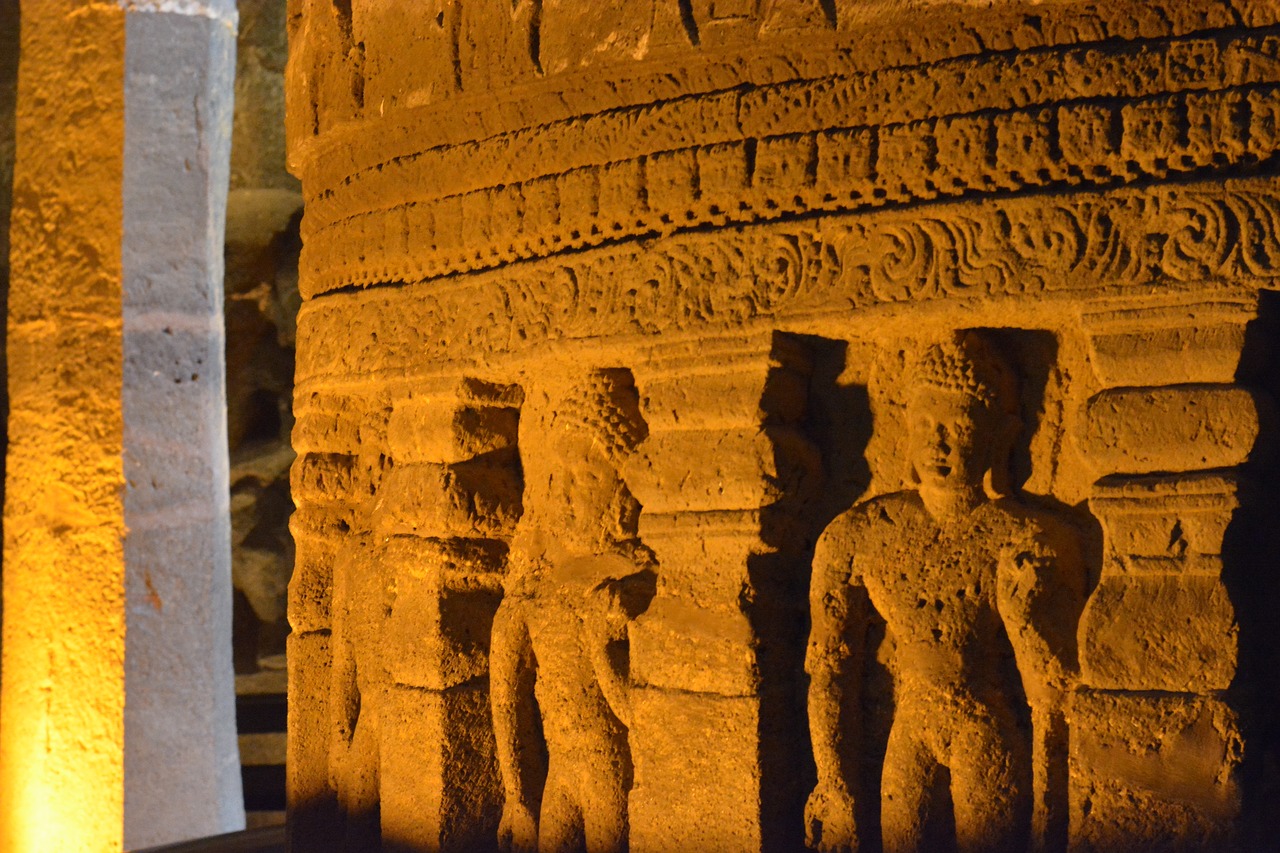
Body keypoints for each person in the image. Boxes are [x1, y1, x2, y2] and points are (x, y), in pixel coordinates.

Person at [805, 332, 1086, 853]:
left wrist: (1023, 619)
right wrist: (833, 780)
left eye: (959, 427)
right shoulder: (861, 534)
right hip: (909, 725)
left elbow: (1051, 681)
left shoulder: (1024, 537)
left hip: (984, 723)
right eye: (925, 426)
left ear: (999, 438)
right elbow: (830, 669)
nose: (939, 443)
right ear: (904, 433)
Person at [491, 370, 654, 853]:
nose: (564, 493)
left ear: (625, 485)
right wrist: (517, 798)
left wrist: (604, 652)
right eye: (557, 477)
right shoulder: (541, 589)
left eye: (585, 477)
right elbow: (506, 700)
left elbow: (643, 718)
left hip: (611, 769)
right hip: (559, 771)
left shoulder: (634, 583)